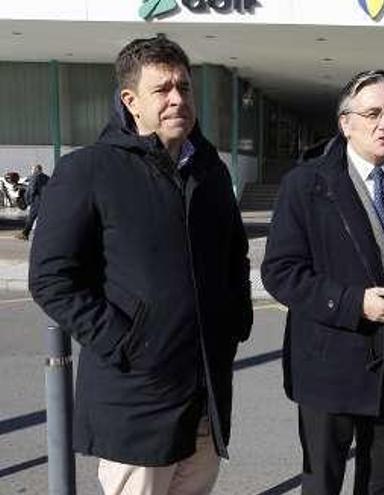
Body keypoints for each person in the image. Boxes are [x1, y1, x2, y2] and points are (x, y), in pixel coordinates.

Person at [29, 36, 253, 495]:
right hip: (136, 399)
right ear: (130, 100)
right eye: (163, 89)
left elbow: (235, 256)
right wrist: (125, 341)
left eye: (185, 88)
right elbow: (51, 278)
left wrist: (234, 323)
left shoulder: (210, 171)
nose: (178, 99)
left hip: (204, 395)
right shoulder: (89, 170)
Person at [261, 69, 384, 495]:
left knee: (382, 482)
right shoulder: (306, 184)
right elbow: (280, 272)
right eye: (372, 114)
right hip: (329, 367)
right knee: (323, 484)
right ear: (346, 123)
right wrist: (353, 303)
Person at [15, 163, 49, 240]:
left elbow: (31, 190)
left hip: (36, 200)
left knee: (31, 218)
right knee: (43, 217)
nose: (31, 171)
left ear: (35, 170)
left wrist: (28, 201)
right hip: (45, 200)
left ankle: (25, 234)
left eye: (32, 169)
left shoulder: (35, 177)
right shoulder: (46, 177)